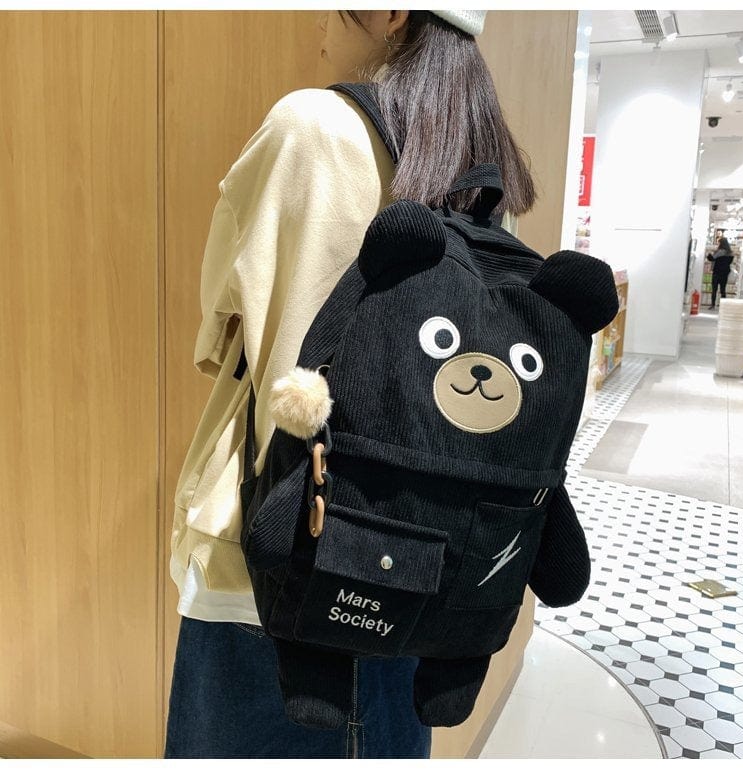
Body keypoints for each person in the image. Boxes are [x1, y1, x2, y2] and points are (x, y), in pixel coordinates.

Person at [165, 9, 536, 759]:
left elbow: (225, 322)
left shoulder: (310, 127)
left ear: (393, 12)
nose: (318, 21)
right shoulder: (480, 169)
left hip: (275, 573)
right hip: (421, 573)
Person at [707, 236, 734, 309]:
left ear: (721, 243)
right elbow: (729, 262)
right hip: (725, 273)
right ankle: (723, 305)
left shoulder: (720, 252)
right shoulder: (730, 253)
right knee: (723, 289)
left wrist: (709, 254)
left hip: (717, 272)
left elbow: (712, 258)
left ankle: (713, 305)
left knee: (714, 289)